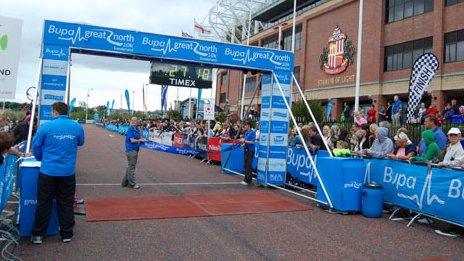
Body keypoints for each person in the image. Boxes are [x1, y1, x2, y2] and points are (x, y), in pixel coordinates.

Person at [31, 102, 85, 244]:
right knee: (66, 202)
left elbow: (36, 146)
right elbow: (81, 142)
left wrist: (40, 157)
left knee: (44, 202)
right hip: (67, 172)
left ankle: (38, 235)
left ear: (54, 112)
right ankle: (66, 234)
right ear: (66, 112)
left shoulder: (46, 127)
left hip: (48, 171)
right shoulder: (76, 127)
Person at [122, 117, 145, 189]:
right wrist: (140, 140)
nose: (134, 122)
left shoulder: (136, 129)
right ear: (130, 121)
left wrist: (141, 139)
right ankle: (132, 183)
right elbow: (132, 140)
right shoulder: (130, 129)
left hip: (135, 149)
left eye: (136, 120)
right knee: (132, 167)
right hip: (131, 150)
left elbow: (139, 137)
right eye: (133, 120)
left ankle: (124, 182)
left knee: (130, 166)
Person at [241, 120, 255, 185]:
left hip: (250, 151)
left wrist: (244, 141)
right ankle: (246, 179)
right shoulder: (246, 133)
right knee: (246, 165)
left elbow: (252, 142)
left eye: (245, 125)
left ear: (248, 126)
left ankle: (248, 180)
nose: (244, 126)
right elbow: (246, 141)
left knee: (248, 165)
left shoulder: (252, 133)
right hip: (246, 150)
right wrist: (243, 144)